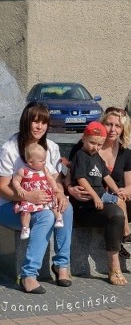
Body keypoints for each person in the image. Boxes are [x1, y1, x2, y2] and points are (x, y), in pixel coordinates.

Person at [66, 107, 131, 281]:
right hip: (89, 204)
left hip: (113, 198)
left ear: (123, 129)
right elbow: (70, 177)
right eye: (108, 124)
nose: (113, 129)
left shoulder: (126, 153)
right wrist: (71, 189)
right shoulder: (84, 148)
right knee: (115, 213)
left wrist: (123, 191)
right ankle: (114, 267)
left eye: (117, 125)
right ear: (101, 125)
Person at [0, 102, 73, 293]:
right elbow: (2, 188)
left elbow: (56, 180)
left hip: (41, 202)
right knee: (46, 216)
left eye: (44, 122)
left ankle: (61, 265)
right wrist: (27, 196)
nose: (39, 127)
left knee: (66, 208)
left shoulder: (51, 147)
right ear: (26, 122)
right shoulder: (10, 149)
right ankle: (29, 274)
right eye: (35, 121)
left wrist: (60, 193)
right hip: (10, 206)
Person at [13, 143, 63, 240]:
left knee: (54, 202)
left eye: (44, 160)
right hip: (29, 195)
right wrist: (19, 189)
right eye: (41, 161)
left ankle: (59, 219)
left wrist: (55, 187)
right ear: (31, 162)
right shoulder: (23, 170)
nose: (44, 162)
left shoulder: (44, 169)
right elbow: (15, 180)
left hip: (45, 192)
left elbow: (50, 179)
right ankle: (25, 228)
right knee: (25, 210)